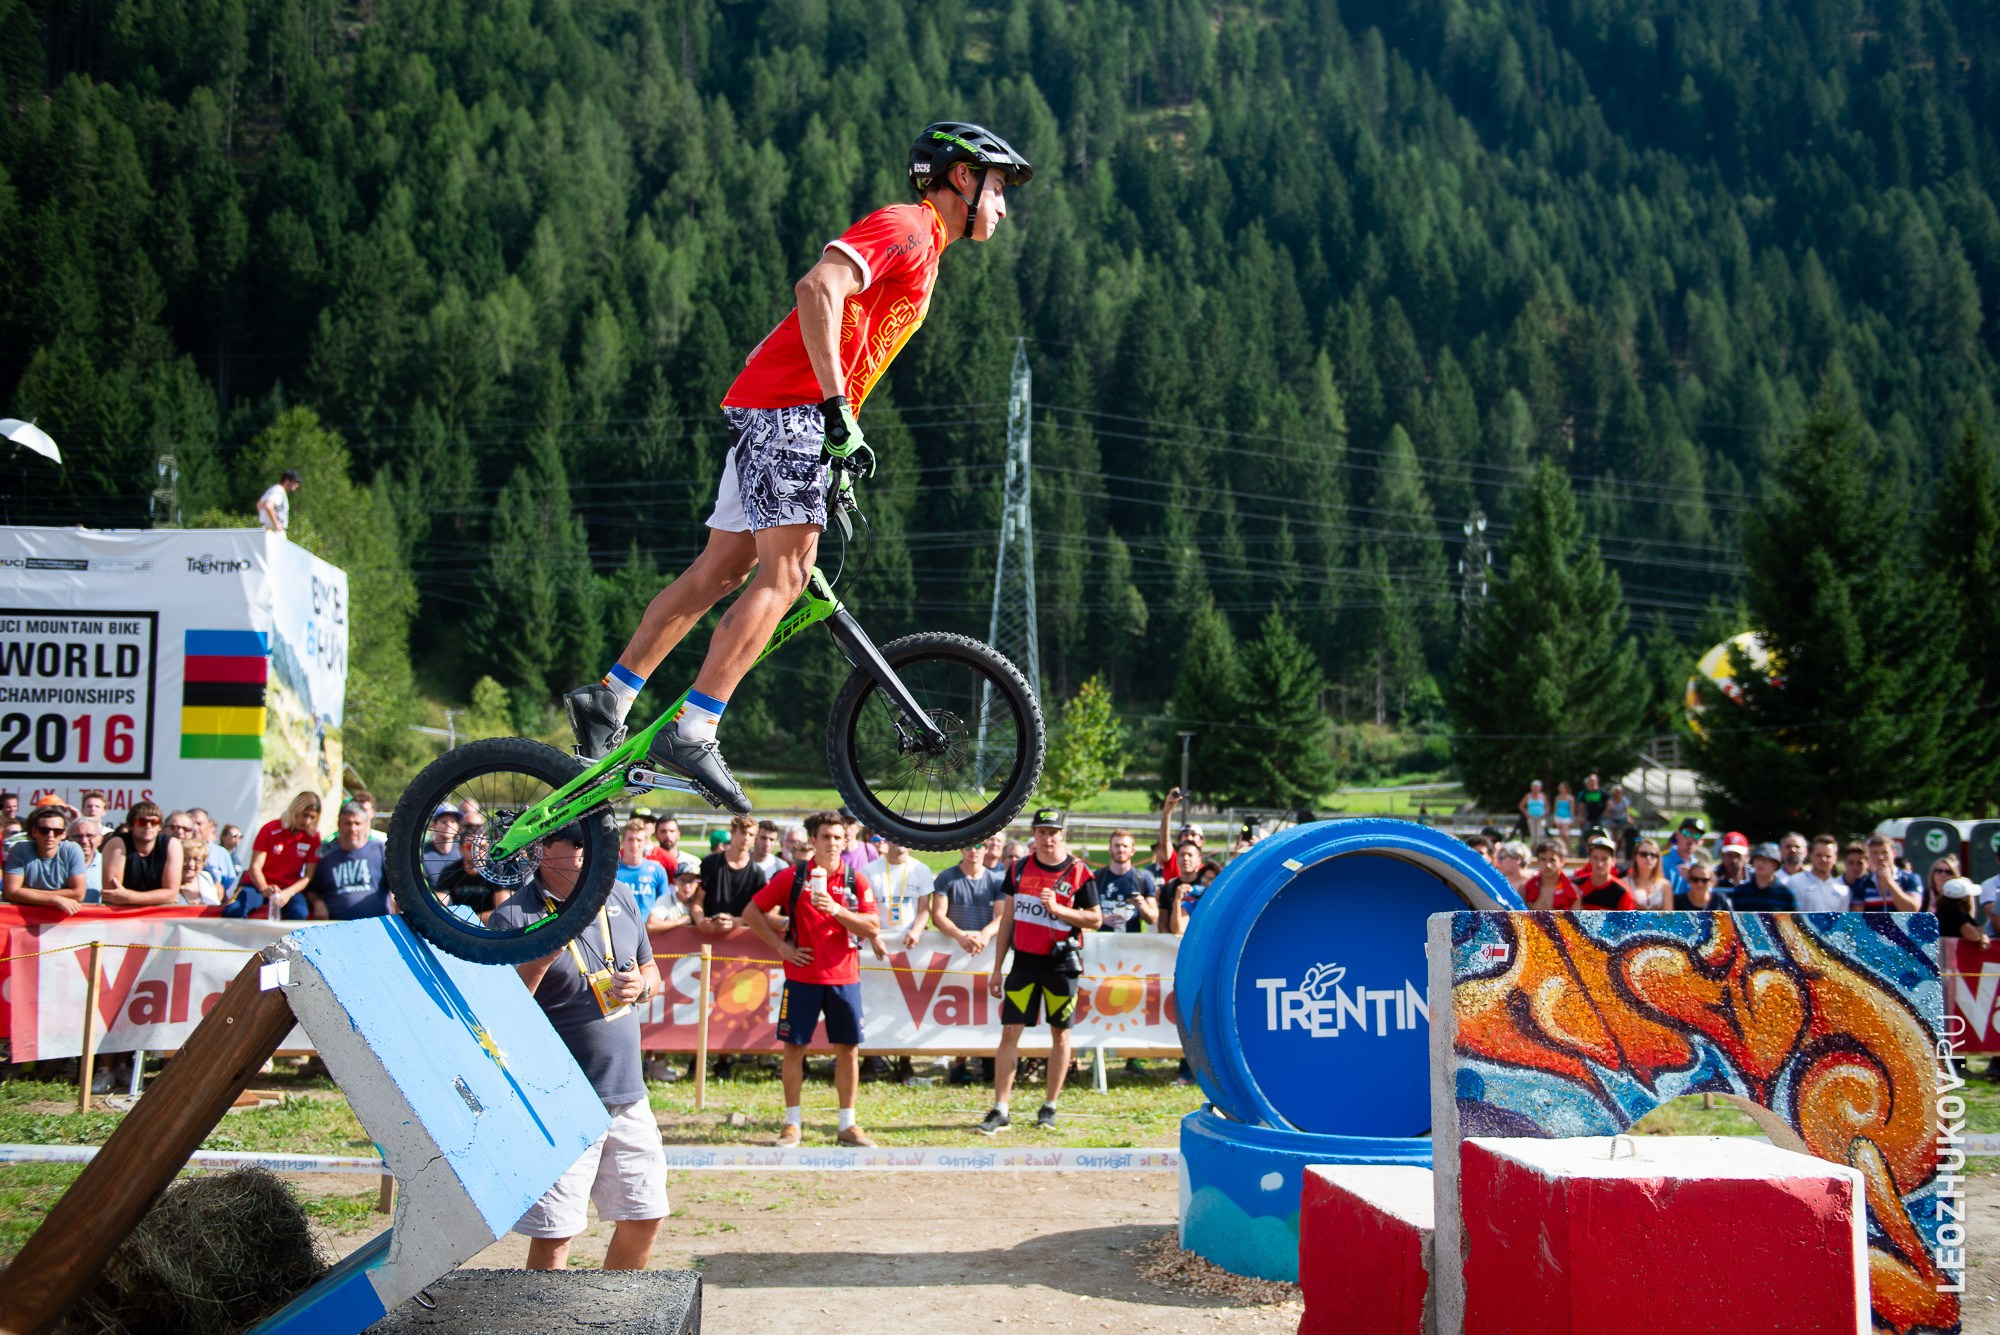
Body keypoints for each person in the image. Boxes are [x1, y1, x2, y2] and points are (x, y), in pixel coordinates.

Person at [561, 121, 1033, 814]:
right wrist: (835, 409)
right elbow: (817, 288)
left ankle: (610, 697)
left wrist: (832, 418)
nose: (1003, 206)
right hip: (795, 410)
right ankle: (695, 729)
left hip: (782, 409)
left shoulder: (926, 249)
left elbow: (828, 322)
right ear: (962, 177)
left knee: (721, 570)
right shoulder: (908, 226)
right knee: (784, 576)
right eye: (998, 188)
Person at [492, 825, 667, 1271]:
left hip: (627, 1092)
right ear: (542, 849)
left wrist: (641, 987)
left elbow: (652, 971)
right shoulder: (514, 917)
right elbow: (499, 1012)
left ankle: (611, 1306)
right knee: (555, 1235)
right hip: (560, 1100)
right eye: (576, 844)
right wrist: (538, 961)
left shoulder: (618, 894)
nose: (588, 853)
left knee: (645, 1216)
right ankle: (545, 1312)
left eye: (594, 842)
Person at [742, 812, 881, 1147]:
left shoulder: (856, 879)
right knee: (794, 1048)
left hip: (844, 977)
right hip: (802, 977)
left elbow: (872, 926)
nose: (832, 843)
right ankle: (792, 1124)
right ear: (814, 841)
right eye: (825, 837)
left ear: (845, 842)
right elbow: (751, 912)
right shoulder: (793, 876)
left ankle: (847, 1125)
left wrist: (837, 910)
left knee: (848, 1050)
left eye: (837, 837)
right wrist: (781, 947)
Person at [977, 809, 1100, 1134]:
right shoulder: (1018, 868)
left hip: (1060, 965)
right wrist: (996, 969)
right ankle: (1000, 1109)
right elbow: (1007, 920)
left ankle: (1050, 1107)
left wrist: (1059, 909)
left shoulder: (1079, 871)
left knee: (1060, 1034)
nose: (1048, 838)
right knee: (1009, 1032)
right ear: (1034, 833)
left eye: (1053, 832)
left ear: (1062, 834)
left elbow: (1095, 918)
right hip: (1024, 964)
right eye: (1042, 831)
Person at [238, 792, 322, 919]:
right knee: (235, 910)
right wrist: (265, 889)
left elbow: (308, 876)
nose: (307, 821)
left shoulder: (313, 837)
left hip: (289, 888)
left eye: (312, 817)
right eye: (304, 815)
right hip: (258, 885)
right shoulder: (270, 829)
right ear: (295, 810)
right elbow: (255, 866)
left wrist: (288, 893)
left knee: (299, 913)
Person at [307, 802, 390, 919]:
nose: (352, 829)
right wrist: (317, 902)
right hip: (337, 925)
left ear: (366, 825)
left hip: (375, 923)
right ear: (339, 825)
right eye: (347, 823)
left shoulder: (380, 850)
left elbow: (398, 886)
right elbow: (312, 891)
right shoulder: (326, 860)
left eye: (357, 823)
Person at [3, 805, 88, 915]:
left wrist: (27, 892)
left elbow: (78, 894)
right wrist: (55, 899)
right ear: (34, 832)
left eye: (57, 831)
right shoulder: (20, 850)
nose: (50, 835)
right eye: (44, 830)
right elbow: (10, 892)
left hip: (61, 917)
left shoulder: (72, 850)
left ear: (64, 834)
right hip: (25, 916)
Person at [694, 814, 768, 935]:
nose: (746, 838)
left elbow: (761, 911)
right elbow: (698, 900)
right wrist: (700, 921)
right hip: (709, 934)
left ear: (755, 838)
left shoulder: (757, 873)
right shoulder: (710, 863)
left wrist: (738, 921)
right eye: (743, 832)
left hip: (741, 938)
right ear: (733, 833)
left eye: (751, 835)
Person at [101, 800, 184, 907]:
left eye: (154, 822)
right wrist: (157, 897)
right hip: (121, 912)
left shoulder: (172, 845)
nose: (148, 826)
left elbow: (171, 894)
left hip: (159, 912)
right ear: (130, 826)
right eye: (141, 822)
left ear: (159, 827)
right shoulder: (117, 844)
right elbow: (112, 894)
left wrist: (130, 897)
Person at [862, 836, 935, 950]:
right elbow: (866, 910)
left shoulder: (922, 870)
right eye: (895, 836)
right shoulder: (869, 871)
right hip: (879, 940)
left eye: (904, 836)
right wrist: (874, 937)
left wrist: (916, 931)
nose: (900, 840)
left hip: (911, 940)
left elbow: (924, 909)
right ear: (887, 839)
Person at [1093, 828, 1157, 933]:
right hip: (1103, 940)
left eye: (1125, 846)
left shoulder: (1143, 878)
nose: (1121, 849)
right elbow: (1084, 914)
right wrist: (1102, 919)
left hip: (1131, 941)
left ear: (1133, 851)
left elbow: (1153, 919)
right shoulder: (1097, 877)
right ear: (1110, 849)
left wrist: (1142, 906)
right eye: (1117, 845)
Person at [614, 818, 671, 921]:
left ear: (645, 843)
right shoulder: (612, 872)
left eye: (639, 840)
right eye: (630, 839)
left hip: (648, 928)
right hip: (620, 926)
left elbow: (665, 903)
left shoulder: (657, 871)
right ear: (622, 842)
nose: (635, 845)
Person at [1854, 834, 1922, 911]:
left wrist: (1890, 882)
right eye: (1875, 853)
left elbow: (1912, 909)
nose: (1880, 857)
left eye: (1884, 852)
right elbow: (1857, 915)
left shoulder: (1909, 879)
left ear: (1894, 853)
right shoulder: (1862, 883)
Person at [1567, 834, 1635, 909]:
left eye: (1604, 859)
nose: (1599, 864)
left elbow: (1628, 916)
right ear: (1590, 859)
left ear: (1613, 861)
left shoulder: (1622, 892)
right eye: (1595, 858)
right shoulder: (1576, 885)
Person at [1788, 834, 1852, 914]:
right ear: (1811, 856)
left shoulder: (1843, 890)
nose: (1823, 859)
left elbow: (1843, 919)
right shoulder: (1794, 882)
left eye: (1828, 856)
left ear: (1835, 859)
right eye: (1819, 855)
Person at [1730, 843, 1799, 912]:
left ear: (1775, 865)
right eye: (1758, 859)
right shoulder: (1741, 892)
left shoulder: (1785, 894)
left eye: (1765, 860)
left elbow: (1793, 917)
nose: (1760, 863)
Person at [187, 808, 239, 898]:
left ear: (209, 825)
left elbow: (231, 888)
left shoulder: (221, 853)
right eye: (191, 824)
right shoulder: (177, 850)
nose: (195, 828)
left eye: (199, 824)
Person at [1626, 837, 1678, 911]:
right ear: (1635, 856)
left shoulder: (1665, 885)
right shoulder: (1625, 883)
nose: (1648, 858)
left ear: (1658, 859)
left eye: (1653, 855)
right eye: (1643, 854)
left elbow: (1668, 916)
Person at [1520, 840, 1570, 910]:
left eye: (1552, 860)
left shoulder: (1573, 891)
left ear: (1562, 861)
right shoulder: (1525, 888)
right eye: (1543, 859)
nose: (1548, 865)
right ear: (1537, 861)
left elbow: (1577, 917)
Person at [1939, 877, 1988, 945]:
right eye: (1969, 896)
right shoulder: (1950, 912)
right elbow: (1974, 936)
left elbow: (1979, 930)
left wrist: (1983, 936)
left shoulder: (1961, 912)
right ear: (1964, 898)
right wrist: (1981, 937)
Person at [421, 806, 462, 885]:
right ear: (434, 825)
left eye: (453, 821)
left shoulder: (464, 851)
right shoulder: (422, 854)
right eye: (444, 821)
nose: (448, 825)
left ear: (458, 827)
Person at [68, 816, 105, 901]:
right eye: (78, 836)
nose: (84, 841)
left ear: (100, 839)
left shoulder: (108, 864)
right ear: (69, 839)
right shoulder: (59, 863)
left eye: (90, 836)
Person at [1660, 817, 1707, 884]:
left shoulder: (1699, 867)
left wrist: (1693, 878)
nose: (1691, 839)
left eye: (1697, 836)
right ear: (1677, 835)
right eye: (1686, 833)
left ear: (1702, 841)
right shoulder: (1662, 861)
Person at [258, 468, 301, 533]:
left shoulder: (272, 489)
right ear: (287, 481)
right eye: (295, 482)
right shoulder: (279, 491)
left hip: (266, 530)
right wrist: (276, 524)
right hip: (275, 532)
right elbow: (269, 506)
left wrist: (266, 519)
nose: (297, 485)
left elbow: (259, 504)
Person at [1602, 784, 1631, 856]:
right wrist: (1604, 815)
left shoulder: (1624, 800)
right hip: (1612, 820)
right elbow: (1607, 811)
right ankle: (1613, 851)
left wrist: (1629, 818)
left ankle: (1617, 851)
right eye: (1617, 792)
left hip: (1621, 820)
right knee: (1613, 837)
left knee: (1619, 837)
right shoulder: (1610, 801)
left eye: (1620, 792)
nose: (1619, 794)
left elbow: (1626, 811)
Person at [1550, 782, 1577, 853]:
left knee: (1565, 834)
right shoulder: (1557, 797)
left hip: (1566, 817)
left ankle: (1569, 849)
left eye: (1561, 787)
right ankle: (1563, 850)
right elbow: (1555, 808)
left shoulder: (1570, 798)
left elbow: (1572, 809)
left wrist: (1572, 819)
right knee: (1560, 834)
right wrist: (1553, 817)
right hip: (1558, 816)